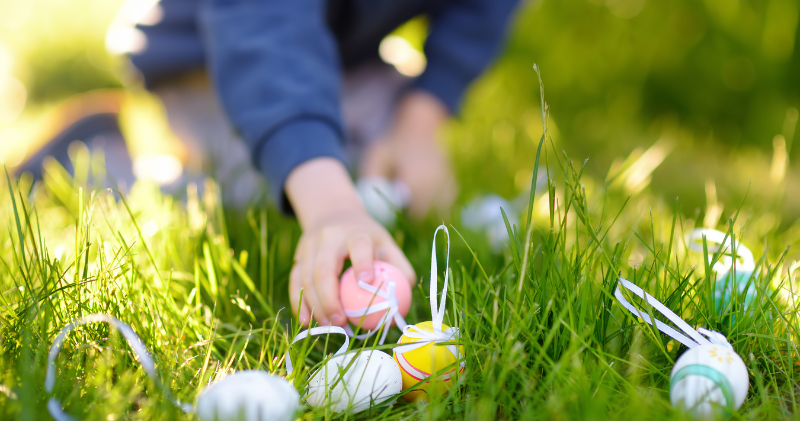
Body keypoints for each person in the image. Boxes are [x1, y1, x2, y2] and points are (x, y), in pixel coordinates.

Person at [28, 0, 521, 327]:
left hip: (343, 53)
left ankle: (343, 130)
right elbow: (263, 29)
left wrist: (421, 119)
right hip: (218, 52)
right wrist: (330, 207)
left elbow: (482, 10)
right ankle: (97, 155)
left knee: (380, 160)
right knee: (260, 185)